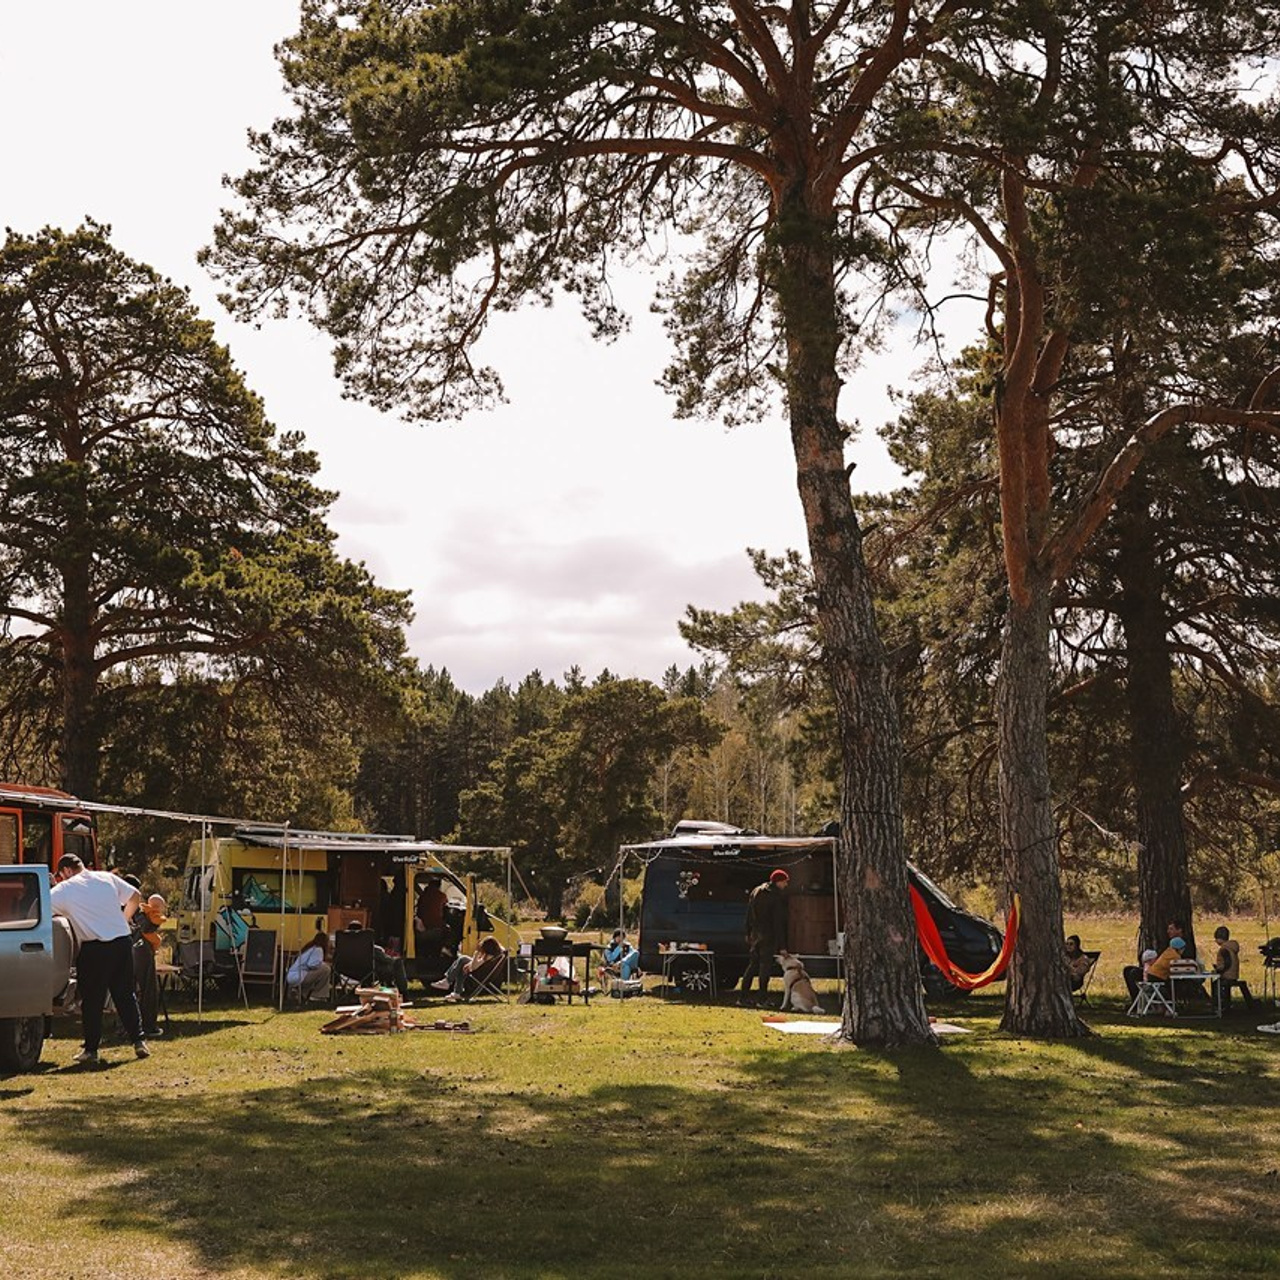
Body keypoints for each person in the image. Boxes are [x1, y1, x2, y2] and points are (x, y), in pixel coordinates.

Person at [49, 854, 149, 1065]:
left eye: (60, 875)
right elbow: (135, 896)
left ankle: (91, 1050)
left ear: (66, 871)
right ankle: (139, 1040)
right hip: (121, 941)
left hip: (94, 947)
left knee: (92, 1000)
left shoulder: (65, 889)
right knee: (125, 994)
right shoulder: (106, 877)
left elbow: (41, 906)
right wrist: (124, 919)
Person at [738, 868, 789, 1005]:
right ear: (778, 881)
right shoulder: (775, 896)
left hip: (755, 934)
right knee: (765, 968)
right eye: (785, 882)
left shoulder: (756, 891)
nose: (786, 885)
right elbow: (777, 923)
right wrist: (782, 946)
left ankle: (742, 997)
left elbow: (749, 914)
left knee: (752, 966)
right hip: (768, 935)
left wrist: (748, 932)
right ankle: (762, 999)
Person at [132, 891, 168, 1037]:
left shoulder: (135, 911)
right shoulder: (145, 914)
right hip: (143, 953)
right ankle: (148, 1026)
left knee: (130, 990)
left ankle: (127, 1026)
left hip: (132, 951)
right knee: (148, 989)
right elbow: (147, 929)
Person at [343, 919, 409, 996]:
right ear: (362, 933)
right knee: (397, 963)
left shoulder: (342, 947)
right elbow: (385, 959)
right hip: (368, 972)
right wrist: (394, 958)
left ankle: (388, 989)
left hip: (347, 971)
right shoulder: (367, 947)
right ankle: (403, 993)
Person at [431, 935, 505, 1003]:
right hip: (482, 972)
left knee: (462, 960)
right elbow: (478, 965)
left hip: (480, 974)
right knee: (462, 961)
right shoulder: (497, 953)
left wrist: (476, 953)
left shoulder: (489, 956)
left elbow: (473, 967)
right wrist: (469, 964)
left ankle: (449, 983)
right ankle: (453, 988)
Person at [1211, 925, 1256, 1012]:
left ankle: (1220, 1004)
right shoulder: (1232, 948)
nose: (1215, 941)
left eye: (1216, 938)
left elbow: (1227, 963)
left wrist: (1219, 970)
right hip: (1234, 974)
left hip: (1227, 974)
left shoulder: (1224, 949)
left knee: (1216, 984)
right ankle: (1226, 1004)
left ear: (1219, 939)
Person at [286, 930, 332, 1004]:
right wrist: (323, 963)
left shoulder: (309, 948)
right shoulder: (318, 949)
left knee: (320, 971)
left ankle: (300, 992)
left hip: (292, 975)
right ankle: (316, 995)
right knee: (326, 969)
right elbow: (312, 964)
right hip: (300, 975)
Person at [413, 876, 449, 967]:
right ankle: (439, 960)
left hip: (422, 928)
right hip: (434, 929)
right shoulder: (441, 896)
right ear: (439, 886)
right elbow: (446, 905)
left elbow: (419, 911)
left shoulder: (423, 896)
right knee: (448, 932)